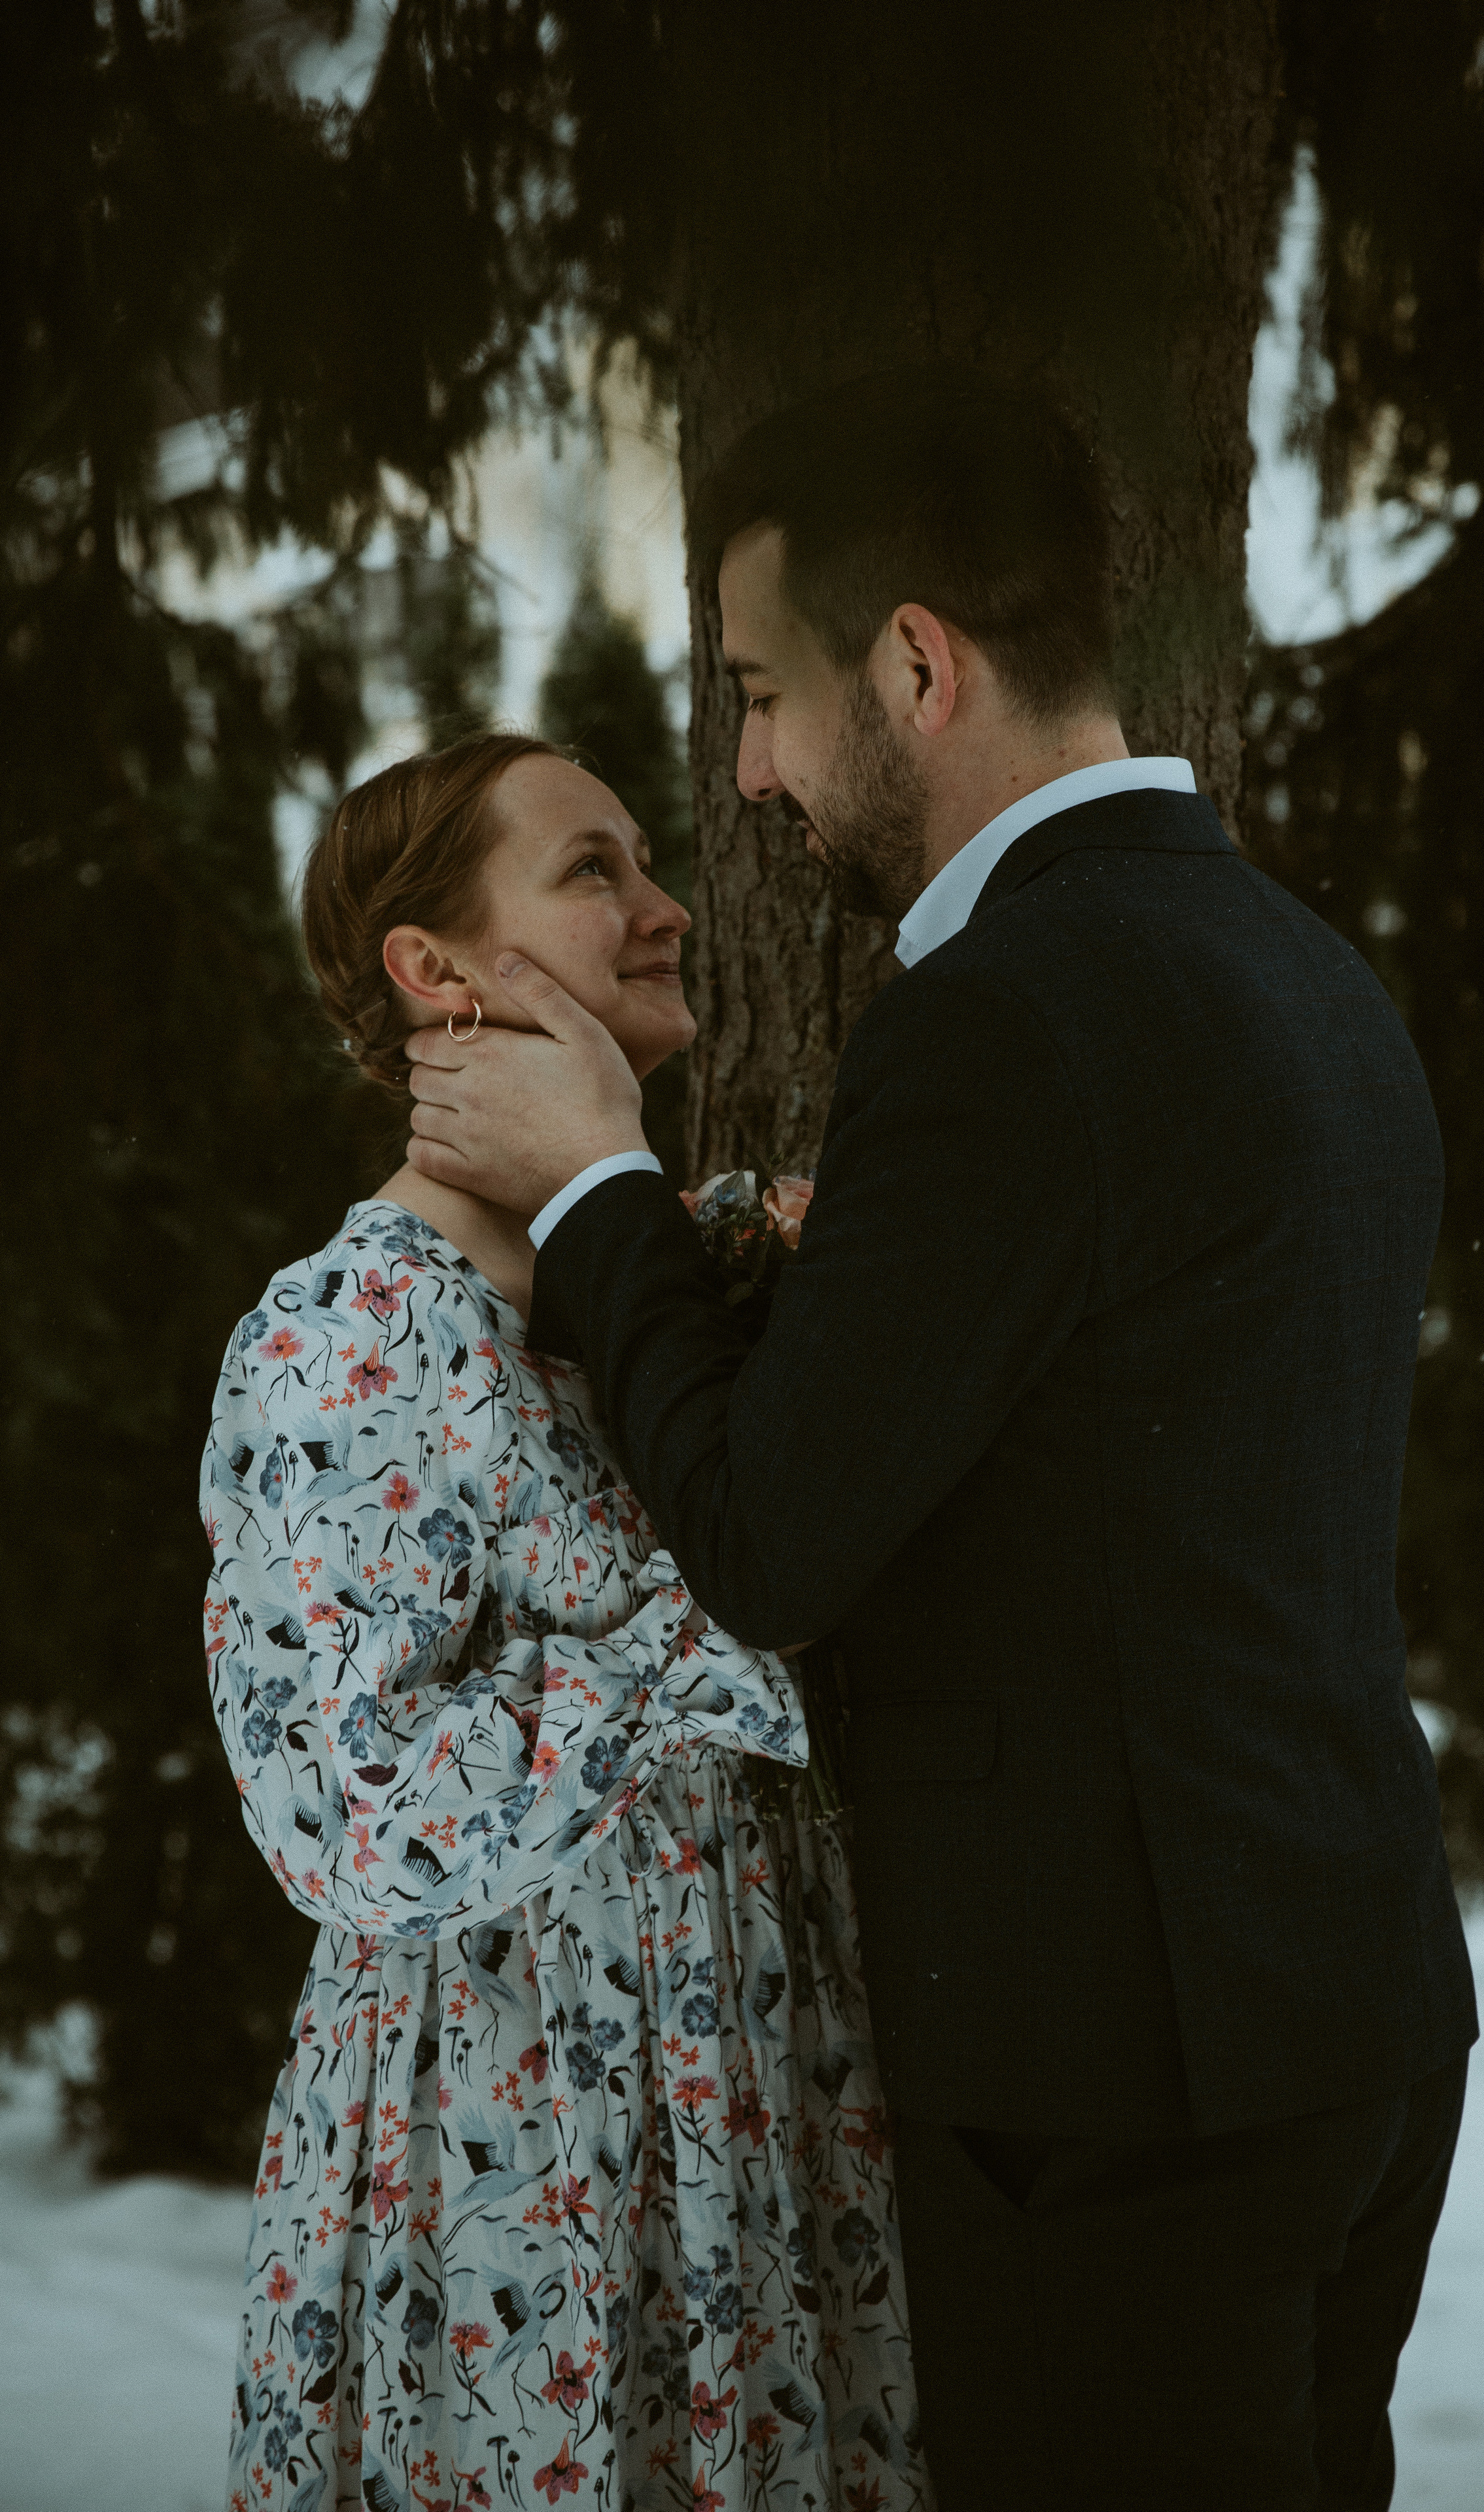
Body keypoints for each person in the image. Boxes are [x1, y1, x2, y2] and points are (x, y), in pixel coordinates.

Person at [401, 370, 1481, 2512]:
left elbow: (775, 1538)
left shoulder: (1001, 1015)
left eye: (762, 697)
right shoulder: (1308, 972)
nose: (751, 771)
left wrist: (605, 1186)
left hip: (1124, 2084)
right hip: (1345, 2010)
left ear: (915, 663)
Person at [199, 733, 931, 2512]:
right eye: (593, 869)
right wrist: (702, 1648)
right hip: (520, 2152)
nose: (669, 908)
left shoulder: (676, 1283)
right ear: (434, 973)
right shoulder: (350, 1334)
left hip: (760, 2115)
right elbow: (346, 1808)